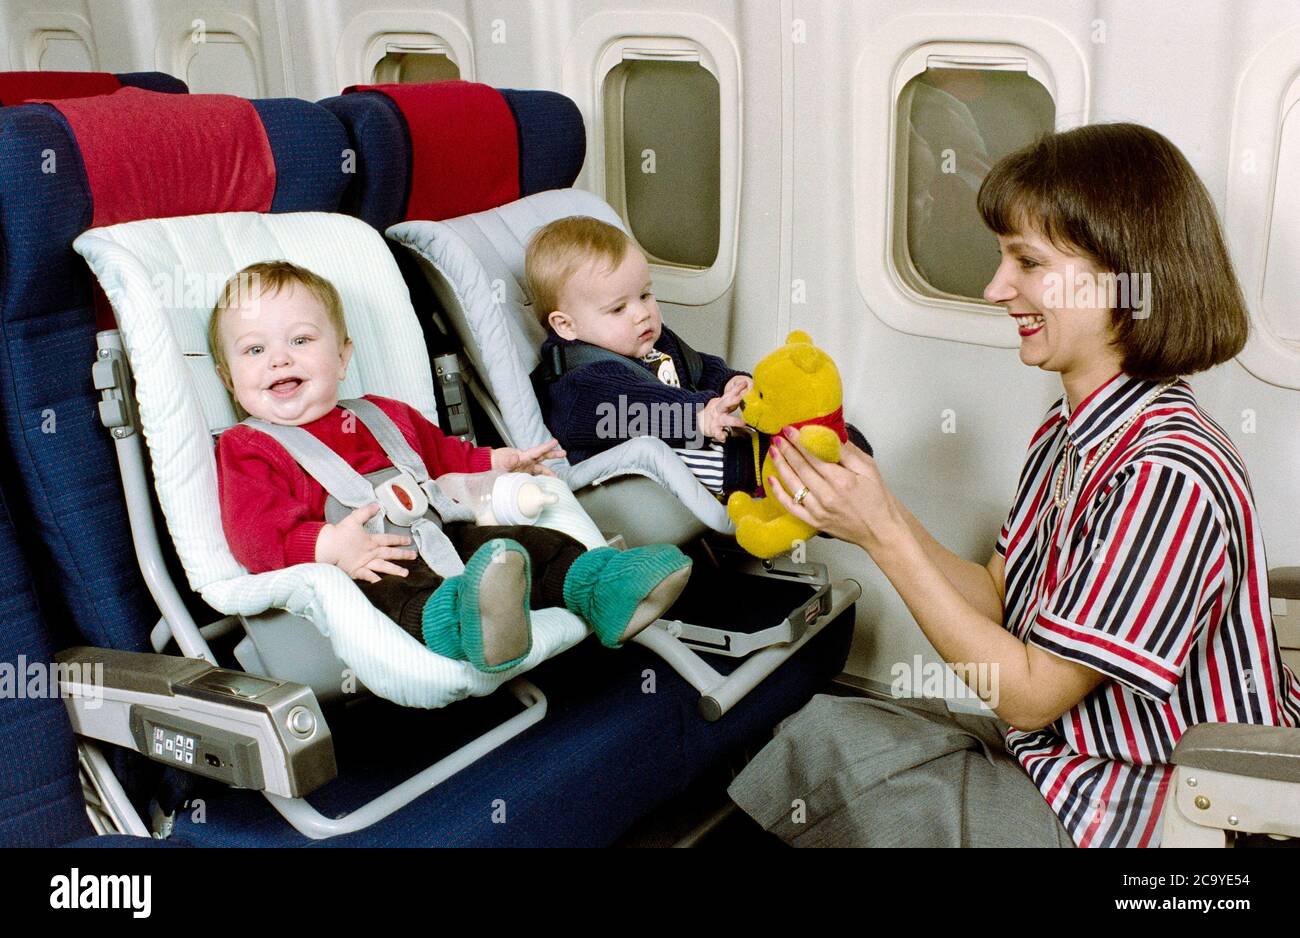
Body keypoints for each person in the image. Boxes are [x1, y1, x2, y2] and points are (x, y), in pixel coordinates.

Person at [729, 123, 1300, 847]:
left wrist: (883, 535)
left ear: (1124, 275)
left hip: (1159, 804)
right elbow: (998, 597)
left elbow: (1029, 698)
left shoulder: (1166, 473)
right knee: (823, 729)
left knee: (865, 784)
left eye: (1026, 262)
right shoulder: (1070, 431)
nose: (996, 288)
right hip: (1067, 757)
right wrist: (874, 509)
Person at [211, 261, 692, 674]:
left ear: (342, 358)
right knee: (402, 595)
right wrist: (330, 545)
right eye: (255, 350)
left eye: (300, 340)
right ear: (229, 380)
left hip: (443, 531)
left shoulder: (384, 414)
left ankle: (602, 585)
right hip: (371, 561)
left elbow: (444, 457)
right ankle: (468, 627)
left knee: (522, 546)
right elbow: (254, 532)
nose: (278, 359)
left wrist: (500, 462)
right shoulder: (250, 446)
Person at [527, 216, 757, 496]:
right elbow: (634, 411)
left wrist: (728, 383)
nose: (642, 313)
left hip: (689, 436)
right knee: (742, 457)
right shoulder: (579, 384)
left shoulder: (648, 340)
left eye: (645, 295)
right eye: (617, 309)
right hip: (629, 482)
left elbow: (696, 365)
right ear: (566, 325)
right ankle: (761, 476)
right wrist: (698, 415)